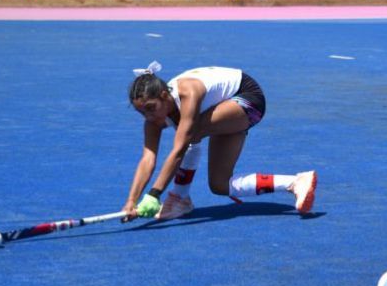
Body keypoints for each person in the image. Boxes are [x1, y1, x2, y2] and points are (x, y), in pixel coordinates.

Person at [122, 62, 317, 222]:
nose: (148, 116)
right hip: (220, 109)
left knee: (191, 131)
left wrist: (154, 194)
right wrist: (131, 201)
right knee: (220, 185)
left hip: (248, 99)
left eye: (150, 108)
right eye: (142, 112)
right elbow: (148, 159)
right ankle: (295, 182)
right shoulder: (152, 119)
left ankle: (179, 198)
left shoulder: (188, 91)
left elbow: (180, 149)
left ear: (164, 96)